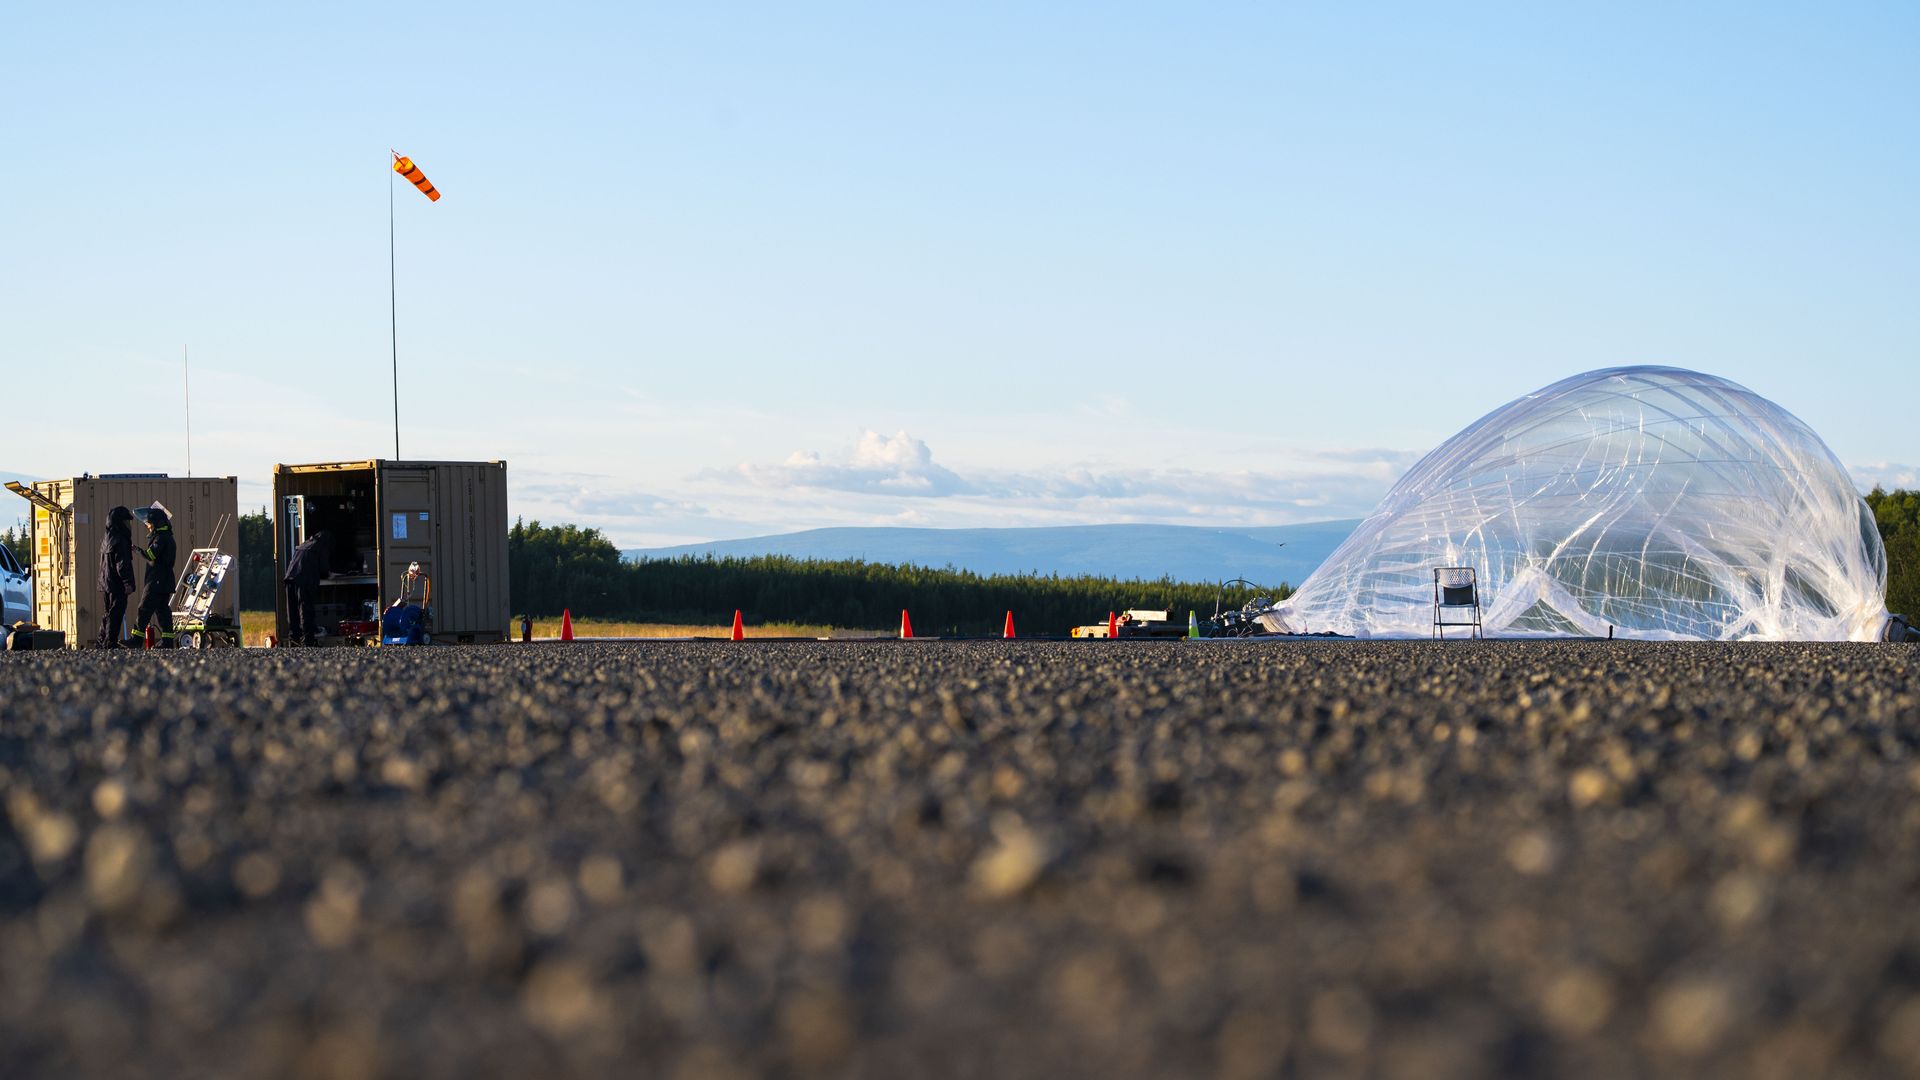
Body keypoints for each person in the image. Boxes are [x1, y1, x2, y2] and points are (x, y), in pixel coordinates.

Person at [131, 501, 178, 647]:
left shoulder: (161, 538)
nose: (147, 526)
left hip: (157, 581)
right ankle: (167, 641)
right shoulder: (167, 536)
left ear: (156, 524)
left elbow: (151, 555)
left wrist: (135, 549)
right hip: (164, 581)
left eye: (149, 524)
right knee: (162, 611)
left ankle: (136, 640)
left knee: (144, 608)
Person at [96, 505, 137, 647]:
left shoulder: (107, 538)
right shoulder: (120, 539)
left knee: (108, 612)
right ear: (120, 522)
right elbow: (122, 563)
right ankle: (110, 642)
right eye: (126, 521)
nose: (128, 525)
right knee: (116, 612)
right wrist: (127, 582)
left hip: (106, 582)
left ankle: (101, 641)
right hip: (117, 583)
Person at [283, 529, 331, 646]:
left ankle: (294, 640)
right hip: (303, 581)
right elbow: (324, 571)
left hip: (289, 578)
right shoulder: (320, 547)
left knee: (292, 611)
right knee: (305, 610)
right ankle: (307, 641)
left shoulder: (303, 546)